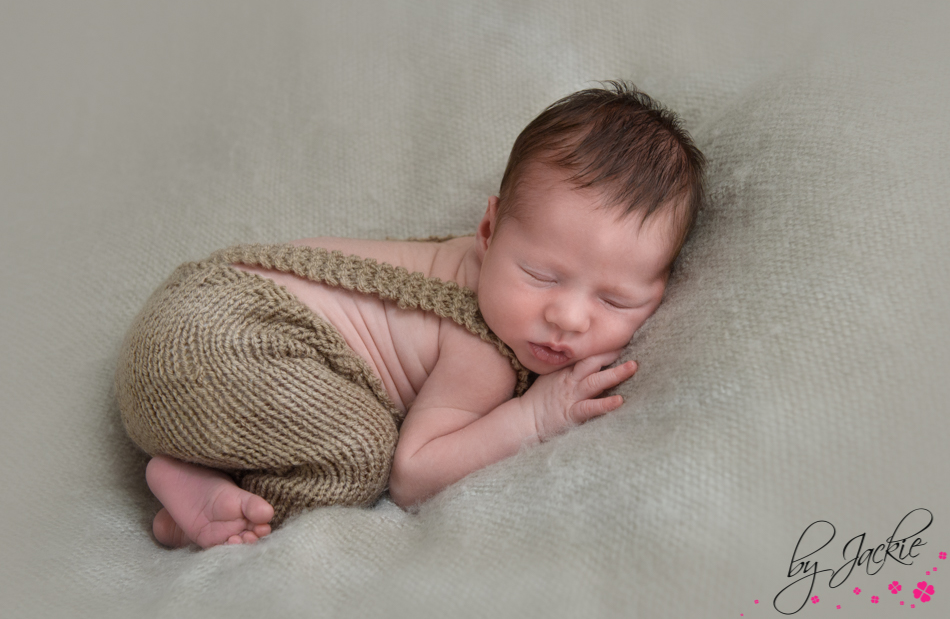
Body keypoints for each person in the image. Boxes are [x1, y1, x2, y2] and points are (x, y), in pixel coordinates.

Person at [115, 81, 706, 548]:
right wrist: (534, 418)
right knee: (360, 456)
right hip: (218, 340)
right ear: (489, 230)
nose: (569, 317)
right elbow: (414, 474)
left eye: (615, 301)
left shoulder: (473, 258)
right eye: (542, 276)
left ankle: (196, 463)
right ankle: (192, 488)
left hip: (192, 310)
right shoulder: (484, 351)